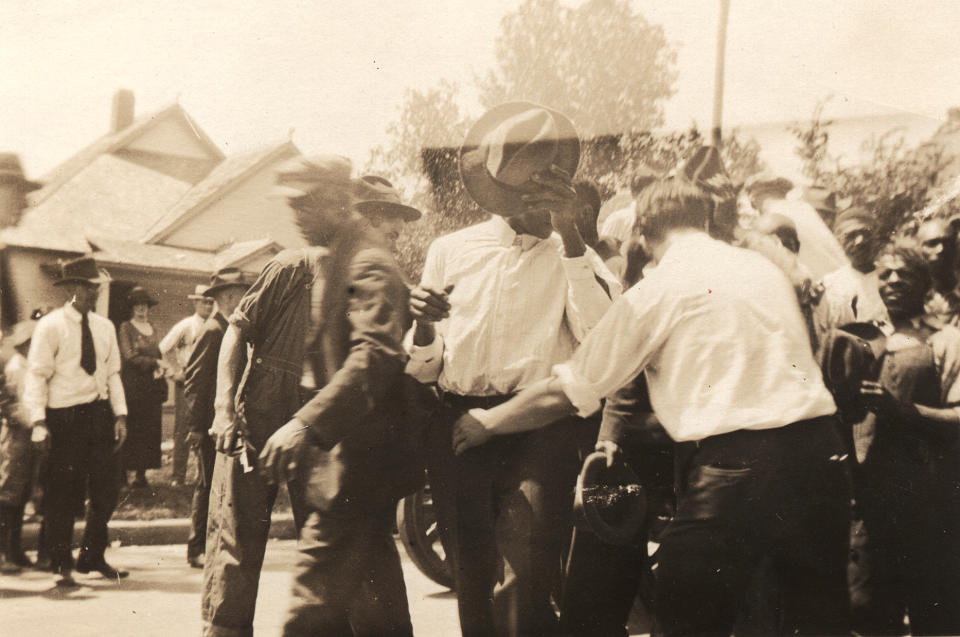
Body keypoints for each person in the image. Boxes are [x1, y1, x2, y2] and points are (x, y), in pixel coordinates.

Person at [452, 178, 852, 636]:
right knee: (819, 618)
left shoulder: (657, 290)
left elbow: (569, 390)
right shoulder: (762, 269)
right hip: (822, 454)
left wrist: (487, 421)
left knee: (685, 614)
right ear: (704, 219)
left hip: (737, 469)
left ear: (640, 232)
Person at [407, 102, 621, 636]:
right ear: (497, 196)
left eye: (548, 194)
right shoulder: (452, 251)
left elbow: (606, 339)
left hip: (536, 431)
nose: (537, 209)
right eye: (523, 196)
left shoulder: (578, 258)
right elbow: (424, 371)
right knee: (470, 574)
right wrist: (426, 328)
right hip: (456, 428)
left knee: (525, 576)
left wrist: (571, 237)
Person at [203, 155, 422, 636]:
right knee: (358, 604)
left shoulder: (365, 262)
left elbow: (376, 355)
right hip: (330, 453)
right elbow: (241, 334)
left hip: (352, 460)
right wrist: (232, 409)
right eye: (292, 206)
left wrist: (304, 423)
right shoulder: (326, 259)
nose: (296, 216)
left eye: (306, 204)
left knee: (317, 609)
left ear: (341, 201)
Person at [846, 242, 960, 635]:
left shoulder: (946, 341)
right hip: (868, 501)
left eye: (905, 274)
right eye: (886, 273)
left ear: (926, 284)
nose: (893, 280)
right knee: (865, 608)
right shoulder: (859, 340)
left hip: (929, 503)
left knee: (936, 613)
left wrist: (903, 412)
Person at [22, 256, 129, 587]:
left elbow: (112, 373)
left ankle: (92, 555)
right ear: (71, 289)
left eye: (95, 288)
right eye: (86, 287)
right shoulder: (51, 326)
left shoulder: (105, 326)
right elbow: (37, 376)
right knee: (63, 494)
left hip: (98, 416)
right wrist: (39, 422)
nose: (93, 293)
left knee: (106, 491)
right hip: (64, 418)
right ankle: (60, 563)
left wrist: (120, 414)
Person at [183, 270, 251, 569]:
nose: (243, 298)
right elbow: (194, 382)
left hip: (226, 421)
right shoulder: (213, 330)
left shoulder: (231, 328)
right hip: (211, 423)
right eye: (238, 293)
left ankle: (212, 546)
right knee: (207, 484)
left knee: (220, 485)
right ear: (227, 297)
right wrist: (196, 427)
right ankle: (196, 547)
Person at [159, 285, 215, 486]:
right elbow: (163, 349)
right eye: (204, 301)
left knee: (207, 427)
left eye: (211, 301)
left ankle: (203, 475)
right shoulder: (185, 326)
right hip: (188, 380)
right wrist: (173, 372)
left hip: (209, 383)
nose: (208, 305)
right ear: (195, 302)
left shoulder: (216, 325)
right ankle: (178, 476)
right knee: (184, 428)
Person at [0, 317, 41, 572]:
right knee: (11, 490)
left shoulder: (29, 366)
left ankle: (14, 549)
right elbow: (20, 403)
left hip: (29, 431)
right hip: (20, 433)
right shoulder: (18, 367)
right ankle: (5, 551)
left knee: (22, 491)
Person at [814, 206, 890, 342]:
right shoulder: (828, 285)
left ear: (875, 238)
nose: (860, 241)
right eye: (850, 236)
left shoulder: (892, 277)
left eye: (866, 233)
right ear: (839, 241)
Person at [119, 286, 166, 488]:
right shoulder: (126, 328)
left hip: (151, 387)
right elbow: (129, 356)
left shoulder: (154, 328)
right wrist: (155, 363)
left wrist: (160, 367)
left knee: (149, 429)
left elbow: (158, 354)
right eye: (138, 306)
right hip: (133, 386)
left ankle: (141, 473)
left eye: (144, 306)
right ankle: (122, 472)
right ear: (132, 308)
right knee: (133, 427)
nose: (141, 310)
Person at [915, 217, 960, 324]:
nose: (941, 248)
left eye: (947, 242)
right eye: (932, 243)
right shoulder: (918, 298)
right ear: (919, 249)